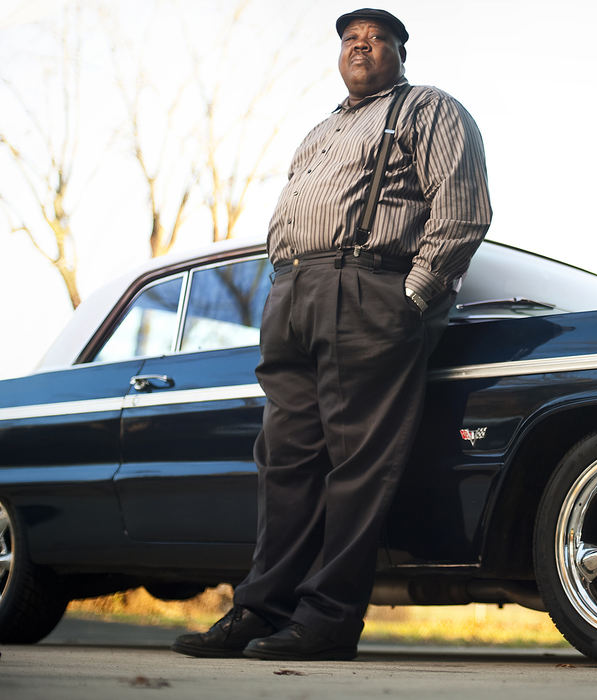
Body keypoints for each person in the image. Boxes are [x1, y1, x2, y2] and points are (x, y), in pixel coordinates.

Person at [172, 8, 492, 661]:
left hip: (366, 288)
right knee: (284, 462)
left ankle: (330, 616)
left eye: (376, 39)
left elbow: (461, 210)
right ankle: (262, 608)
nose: (361, 47)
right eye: (351, 39)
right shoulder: (322, 129)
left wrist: (411, 298)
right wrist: (279, 284)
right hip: (293, 294)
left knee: (357, 465)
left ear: (401, 52)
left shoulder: (428, 109)